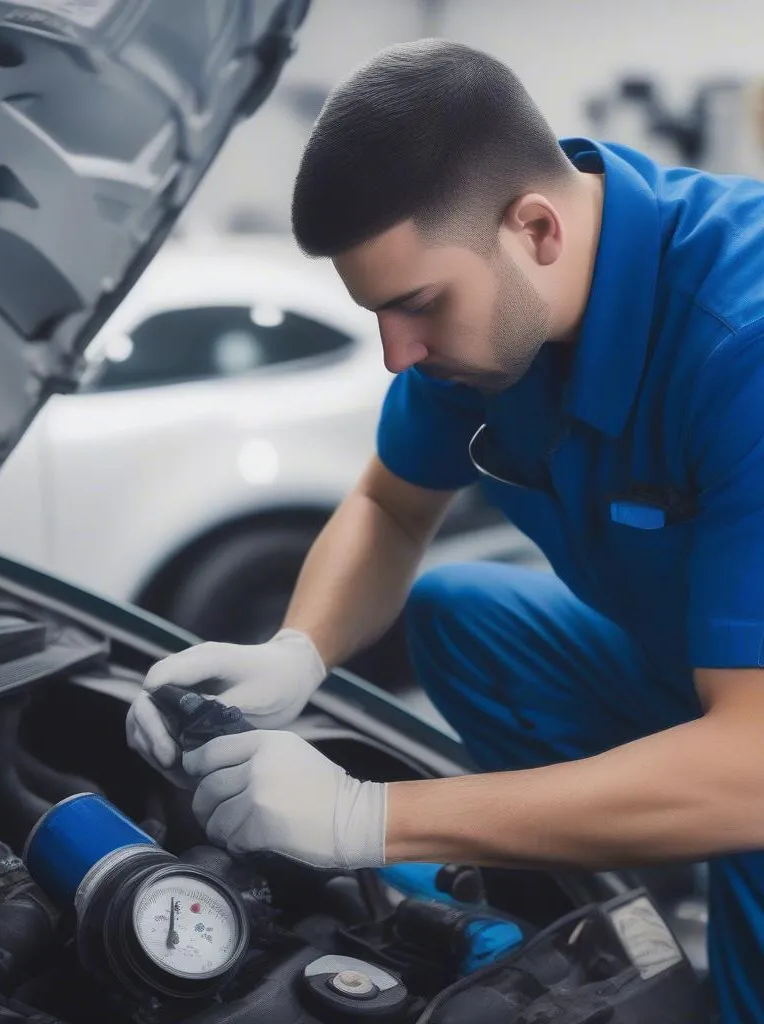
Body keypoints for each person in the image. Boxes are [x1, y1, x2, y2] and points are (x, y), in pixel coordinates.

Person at [126, 39, 764, 1020]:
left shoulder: (740, 340)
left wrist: (368, 818)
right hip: (714, 679)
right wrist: (298, 652)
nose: (396, 354)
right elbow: (387, 505)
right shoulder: (483, 331)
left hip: (753, 752)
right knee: (460, 611)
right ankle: (625, 864)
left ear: (536, 229)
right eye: (378, 312)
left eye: (416, 307)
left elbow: (751, 770)